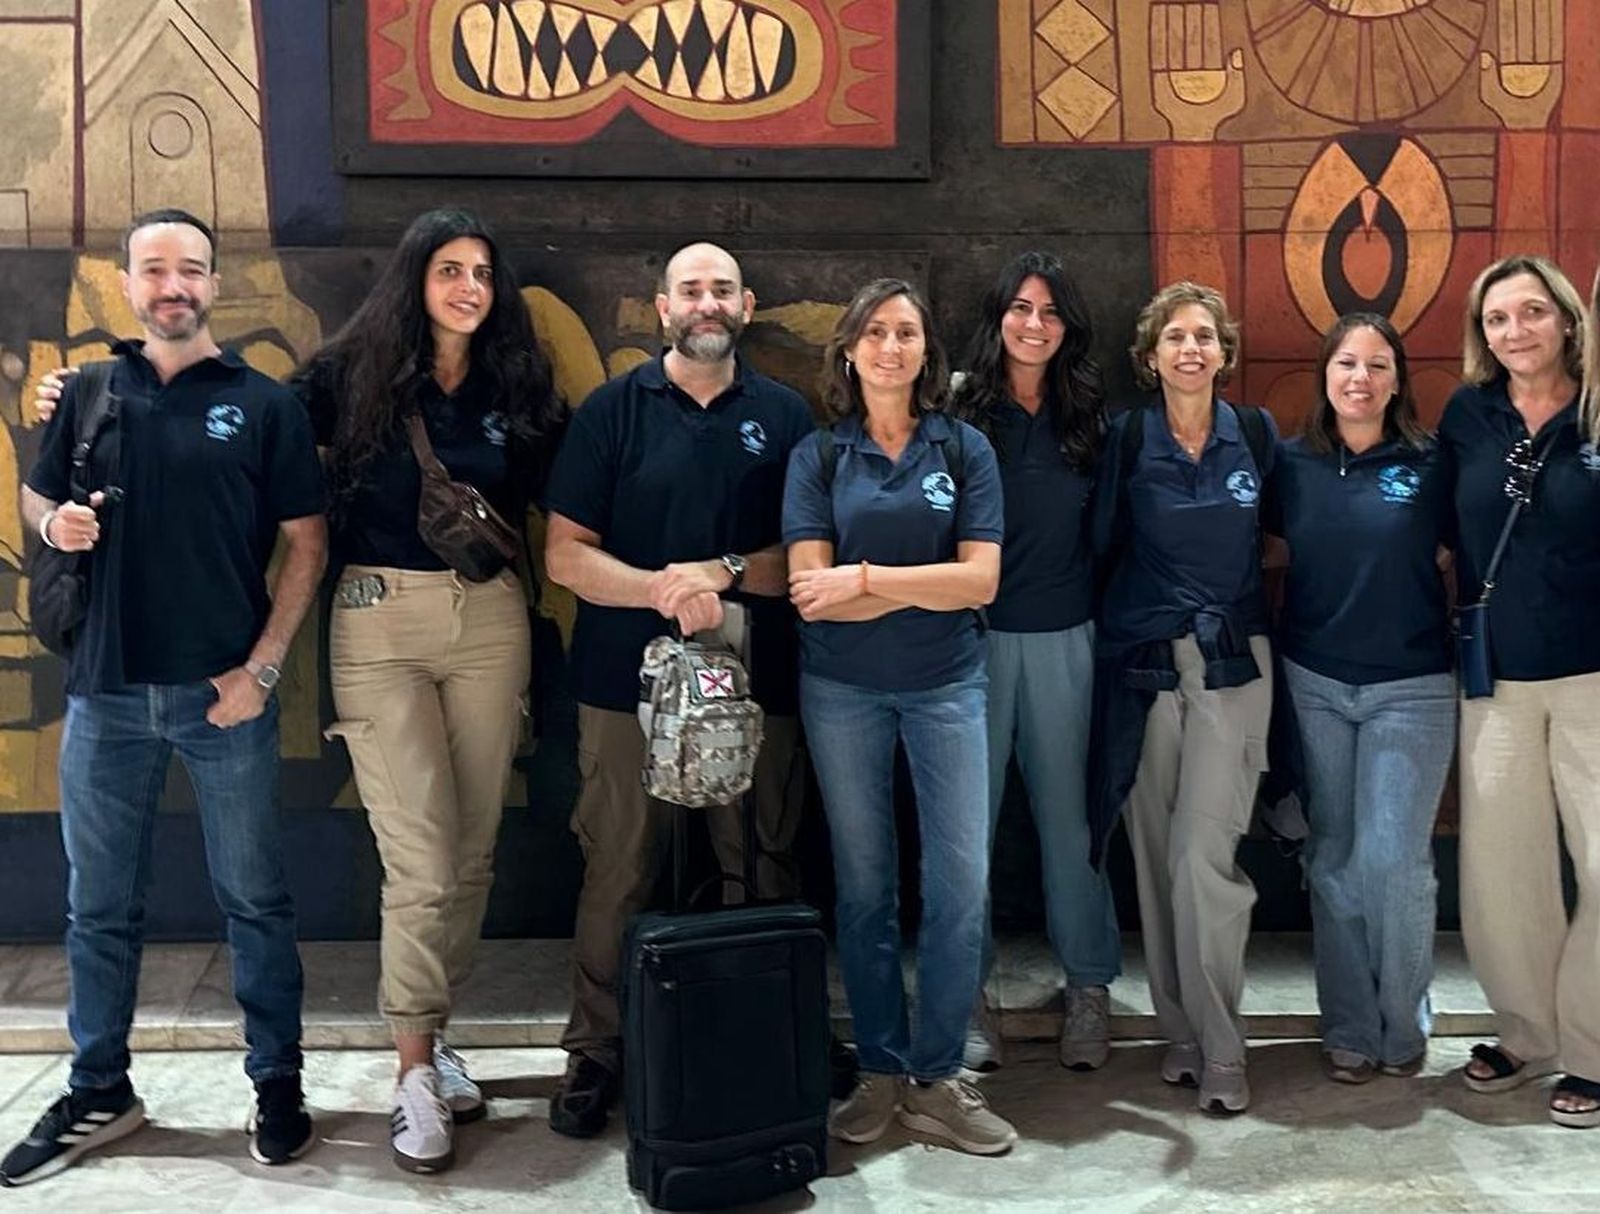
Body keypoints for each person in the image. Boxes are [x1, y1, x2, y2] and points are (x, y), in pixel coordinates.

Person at [1, 209, 326, 1186]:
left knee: (256, 902)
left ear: (213, 283)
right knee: (96, 908)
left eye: (190, 268)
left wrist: (262, 668)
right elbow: (34, 495)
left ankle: (277, 1083)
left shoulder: (263, 403)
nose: (173, 283)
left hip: (225, 698)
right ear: (130, 280)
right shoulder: (89, 390)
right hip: (102, 695)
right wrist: (51, 518)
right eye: (155, 268)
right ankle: (101, 1087)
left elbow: (307, 542)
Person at [292, 208, 560, 1172]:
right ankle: (410, 1073)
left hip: (488, 620)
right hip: (376, 619)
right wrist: (88, 388)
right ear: (416, 278)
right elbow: (255, 441)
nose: (469, 289)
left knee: (476, 849)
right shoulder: (348, 374)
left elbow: (567, 483)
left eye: (483, 273)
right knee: (422, 857)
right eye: (450, 270)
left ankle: (435, 1037)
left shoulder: (512, 383)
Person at [542, 242, 813, 1138]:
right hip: (624, 686)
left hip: (757, 682)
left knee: (761, 860)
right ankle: (599, 1050)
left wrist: (723, 570)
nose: (707, 302)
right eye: (690, 289)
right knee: (618, 865)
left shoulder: (784, 415)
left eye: (723, 288)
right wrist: (661, 587)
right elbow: (566, 554)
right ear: (661, 307)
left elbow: (806, 560)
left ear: (748, 304)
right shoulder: (612, 413)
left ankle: (762, 1033)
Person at [783, 277, 1015, 1155]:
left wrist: (868, 579)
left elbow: (981, 582)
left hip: (949, 686)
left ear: (926, 352)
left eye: (907, 333)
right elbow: (811, 594)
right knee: (866, 886)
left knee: (961, 887)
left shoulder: (965, 451)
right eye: (875, 332)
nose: (890, 346)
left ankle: (938, 1074)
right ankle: (881, 1069)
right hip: (841, 692)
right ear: (850, 350)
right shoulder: (819, 456)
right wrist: (917, 589)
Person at [1088, 281, 1277, 1115]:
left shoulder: (1257, 437)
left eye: (1205, 336)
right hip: (1143, 660)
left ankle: (1225, 1045)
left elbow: (1286, 536)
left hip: (1234, 660)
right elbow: (1098, 543)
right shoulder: (1127, 439)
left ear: (1224, 354)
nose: (1191, 349)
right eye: (1175, 338)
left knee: (1205, 855)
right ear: (1151, 357)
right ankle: (1181, 1033)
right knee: (1156, 851)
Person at [1266, 313, 1455, 1084]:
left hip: (1410, 685)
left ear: (1398, 380)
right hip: (1314, 680)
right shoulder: (1290, 464)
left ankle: (1403, 1014)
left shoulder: (1433, 462)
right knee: (1334, 856)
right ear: (1326, 373)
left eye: (1379, 366)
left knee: (1394, 860)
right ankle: (1347, 1022)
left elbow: (1455, 547)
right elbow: (1269, 548)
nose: (1361, 379)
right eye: (1348, 363)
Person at [950, 252, 1118, 1073]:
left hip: (1065, 640)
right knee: (965, 834)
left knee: (1070, 829)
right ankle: (966, 993)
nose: (1034, 324)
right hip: (970, 645)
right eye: (1020, 308)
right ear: (998, 319)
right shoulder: (959, 415)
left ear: (1068, 328)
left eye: (1050, 312)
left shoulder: (1088, 417)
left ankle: (1088, 987)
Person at [1442, 254, 1600, 1129]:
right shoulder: (1471, 415)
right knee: (1503, 871)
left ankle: (1595, 1043)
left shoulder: (1598, 411)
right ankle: (1529, 1032)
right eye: (1498, 319)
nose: (1515, 332)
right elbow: (1439, 532)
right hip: (1495, 673)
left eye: (1532, 313)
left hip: (1594, 676)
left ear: (1568, 320)